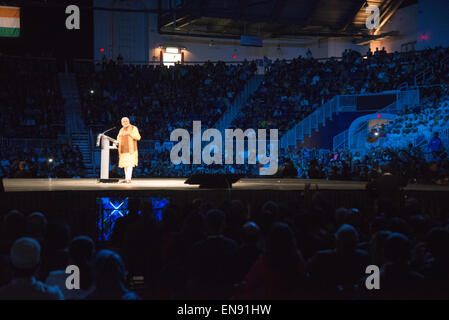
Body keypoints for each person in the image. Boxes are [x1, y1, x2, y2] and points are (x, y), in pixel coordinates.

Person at [117, 117, 141, 183]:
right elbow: (118, 138)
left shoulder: (133, 128)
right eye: (124, 121)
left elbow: (138, 137)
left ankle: (128, 179)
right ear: (121, 123)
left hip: (131, 150)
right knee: (125, 165)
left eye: (126, 121)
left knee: (130, 164)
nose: (125, 122)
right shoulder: (121, 130)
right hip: (122, 150)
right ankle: (126, 178)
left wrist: (129, 134)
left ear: (129, 121)